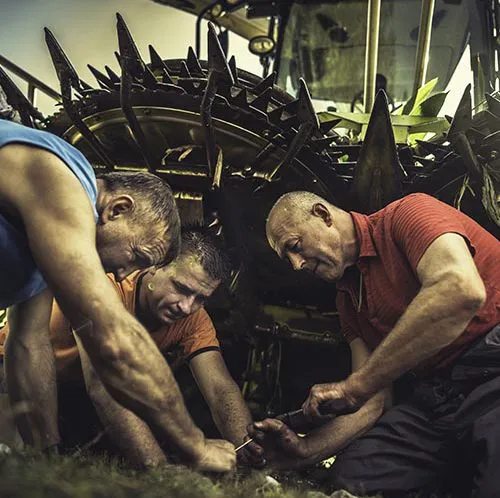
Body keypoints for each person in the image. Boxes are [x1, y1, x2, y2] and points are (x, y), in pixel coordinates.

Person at [0, 117, 235, 471]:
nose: (124, 273)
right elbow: (112, 342)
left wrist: (46, 461)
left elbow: (28, 345)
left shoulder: (45, 243)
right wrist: (196, 446)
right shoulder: (66, 183)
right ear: (117, 209)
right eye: (137, 257)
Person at [250, 191, 500, 496]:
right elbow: (373, 401)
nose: (296, 264)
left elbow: (460, 290)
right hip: (439, 398)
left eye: (295, 247)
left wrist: (353, 387)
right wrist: (305, 449)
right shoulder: (347, 300)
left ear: (322, 214)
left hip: (493, 367)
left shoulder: (408, 214)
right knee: (352, 480)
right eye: (287, 257)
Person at [0, 228, 262, 468]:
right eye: (181, 288)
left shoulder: (194, 317)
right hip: (14, 377)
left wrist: (248, 448)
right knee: (21, 468)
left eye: (200, 298)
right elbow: (103, 384)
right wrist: (159, 469)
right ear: (155, 267)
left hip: (75, 395)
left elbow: (219, 388)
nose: (186, 306)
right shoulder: (106, 287)